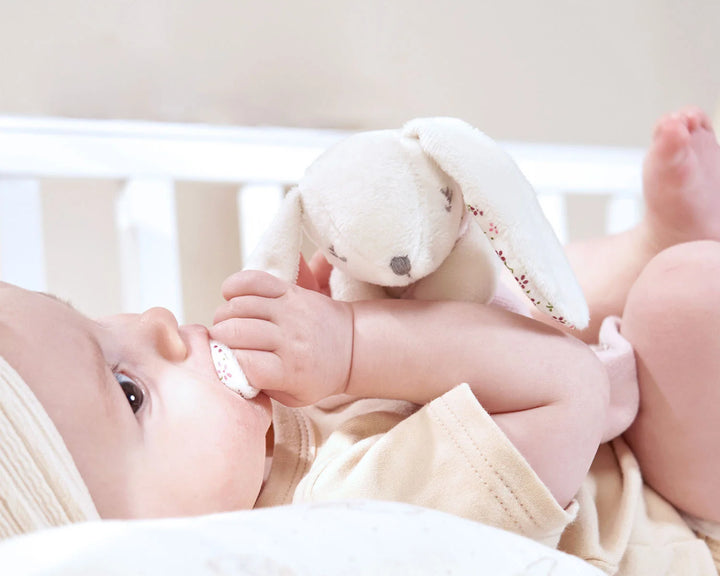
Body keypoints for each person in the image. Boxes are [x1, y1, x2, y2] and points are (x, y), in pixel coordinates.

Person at [0, 107, 718, 574]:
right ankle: (654, 255)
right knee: (683, 297)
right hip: (675, 517)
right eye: (129, 392)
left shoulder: (285, 446)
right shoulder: (350, 526)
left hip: (627, 440)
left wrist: (356, 352)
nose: (152, 319)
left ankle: (642, 246)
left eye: (93, 318)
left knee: (474, 293)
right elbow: (568, 386)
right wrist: (355, 344)